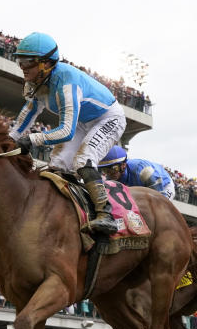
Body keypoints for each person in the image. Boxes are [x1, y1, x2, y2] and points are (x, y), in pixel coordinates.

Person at [8, 32, 127, 234]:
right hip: (83, 119)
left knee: (84, 159)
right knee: (57, 165)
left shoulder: (66, 82)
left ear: (46, 63)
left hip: (108, 118)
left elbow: (66, 131)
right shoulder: (36, 81)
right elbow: (28, 114)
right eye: (19, 61)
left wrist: (32, 139)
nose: (22, 67)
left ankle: (105, 214)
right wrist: (10, 140)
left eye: (27, 62)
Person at [98, 146, 175, 199]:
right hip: (142, 187)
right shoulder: (109, 179)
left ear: (123, 165)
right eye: (106, 170)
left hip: (163, 185)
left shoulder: (143, 171)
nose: (110, 173)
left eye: (114, 168)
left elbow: (159, 197)